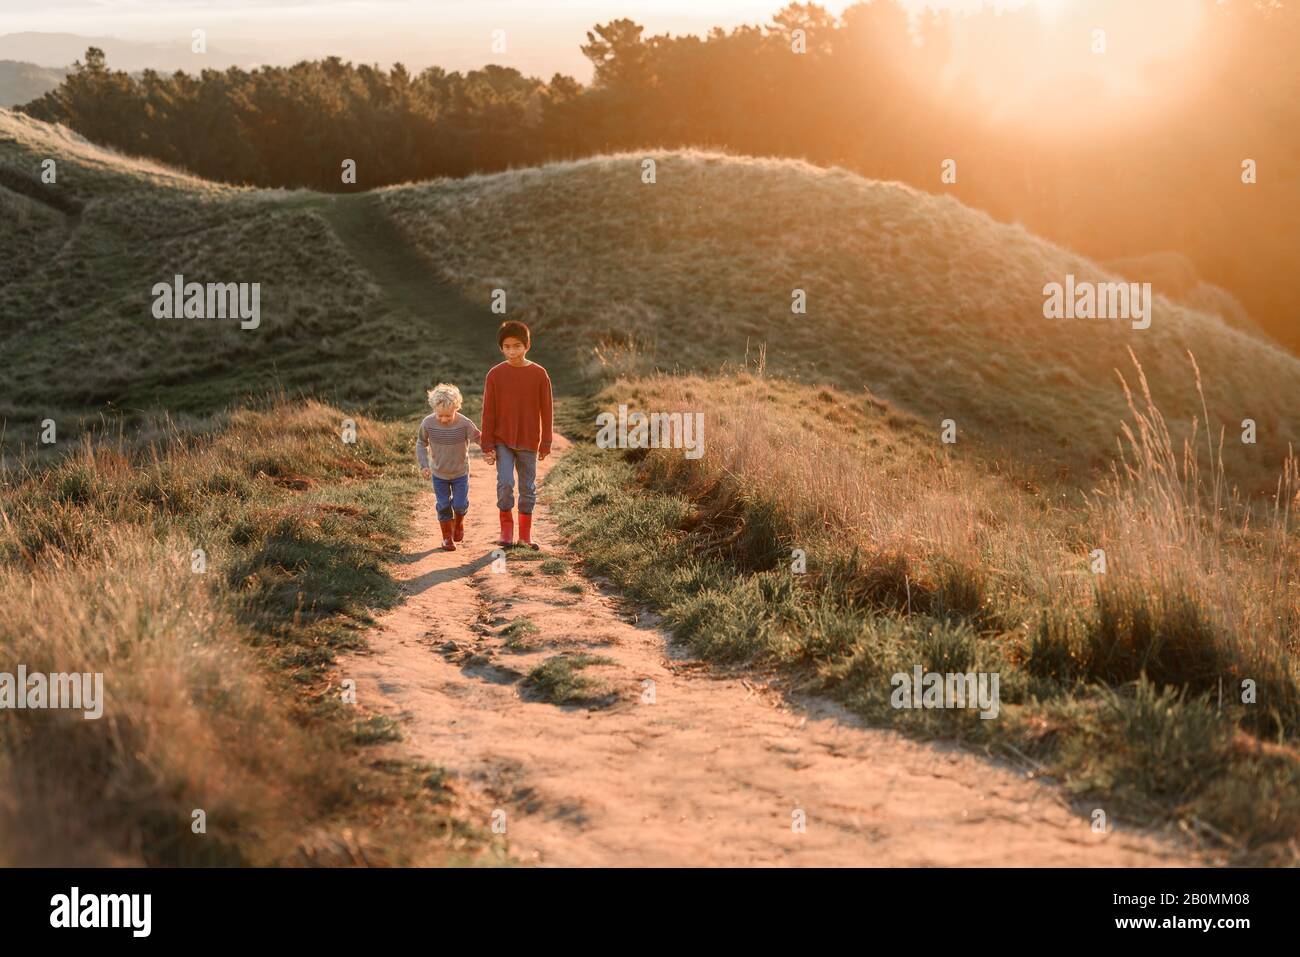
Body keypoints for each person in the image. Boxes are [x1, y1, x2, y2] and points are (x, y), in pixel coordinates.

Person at [480, 320, 553, 549]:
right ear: (501, 348)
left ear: (527, 345)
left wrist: (546, 442)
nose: (513, 351)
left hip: (529, 440)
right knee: (505, 483)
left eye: (517, 346)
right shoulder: (495, 375)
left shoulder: (539, 374)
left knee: (527, 487)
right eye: (508, 346)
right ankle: (506, 529)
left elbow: (547, 411)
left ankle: (525, 535)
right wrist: (487, 444)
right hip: (503, 440)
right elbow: (488, 411)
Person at [416, 382, 481, 552]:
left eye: (448, 416)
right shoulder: (428, 423)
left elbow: (478, 438)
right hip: (439, 474)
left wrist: (489, 451)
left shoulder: (465, 423)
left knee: (459, 504)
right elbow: (421, 443)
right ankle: (447, 538)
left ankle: (458, 524)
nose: (444, 419)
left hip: (460, 473)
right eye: (440, 415)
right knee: (443, 504)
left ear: (456, 408)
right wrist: (424, 465)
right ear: (434, 409)